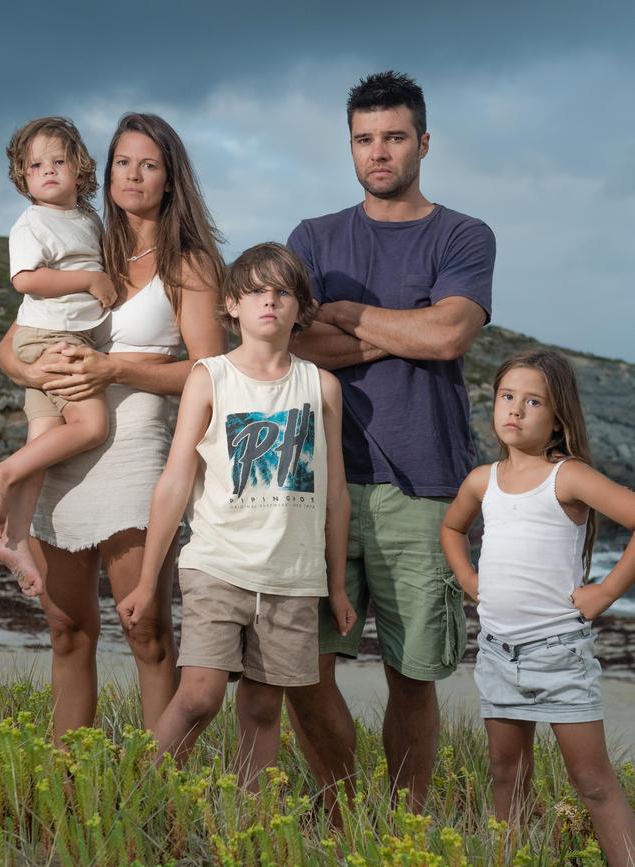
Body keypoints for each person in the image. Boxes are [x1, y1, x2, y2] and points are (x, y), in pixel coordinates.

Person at [286, 70, 496, 811]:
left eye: (394, 137)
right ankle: (342, 808)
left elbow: (448, 334)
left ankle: (401, 823)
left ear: (424, 142)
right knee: (303, 663)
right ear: (351, 146)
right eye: (365, 139)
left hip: (428, 481)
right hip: (318, 478)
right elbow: (295, 343)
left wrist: (347, 314)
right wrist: (406, 327)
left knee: (414, 671)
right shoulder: (314, 237)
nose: (379, 151)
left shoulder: (463, 234)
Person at [0, 113, 226, 745]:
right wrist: (27, 369)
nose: (134, 175)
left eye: (149, 164)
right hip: (61, 443)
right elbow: (11, 346)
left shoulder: (192, 264)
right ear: (107, 169)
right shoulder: (80, 242)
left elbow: (208, 374)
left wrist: (111, 366)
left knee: (146, 628)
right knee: (69, 629)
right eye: (124, 161)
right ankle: (68, 780)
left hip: (133, 451)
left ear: (169, 177)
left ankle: (164, 785)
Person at [117, 242, 355, 790]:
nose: (269, 302)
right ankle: (134, 798)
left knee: (263, 707)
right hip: (217, 564)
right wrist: (148, 581)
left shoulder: (321, 387)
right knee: (199, 694)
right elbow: (175, 481)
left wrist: (336, 586)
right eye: (255, 293)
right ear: (232, 305)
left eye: (282, 293)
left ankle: (251, 826)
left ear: (301, 307)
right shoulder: (210, 376)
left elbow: (334, 492)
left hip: (293, 578)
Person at [440, 350, 635, 866]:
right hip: (497, 653)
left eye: (533, 402)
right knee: (507, 775)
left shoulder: (567, 477)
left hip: (559, 656)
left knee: (592, 783)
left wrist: (605, 592)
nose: (516, 410)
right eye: (508, 397)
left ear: (557, 420)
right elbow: (451, 527)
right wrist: (469, 579)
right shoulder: (483, 481)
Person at [0, 117, 118, 592]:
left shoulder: (87, 219)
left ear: (80, 169)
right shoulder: (33, 222)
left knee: (42, 443)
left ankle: (14, 536)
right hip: (52, 338)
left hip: (60, 336)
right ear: (21, 176)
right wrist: (88, 280)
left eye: (58, 162)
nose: (47, 171)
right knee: (91, 425)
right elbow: (24, 280)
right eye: (34, 165)